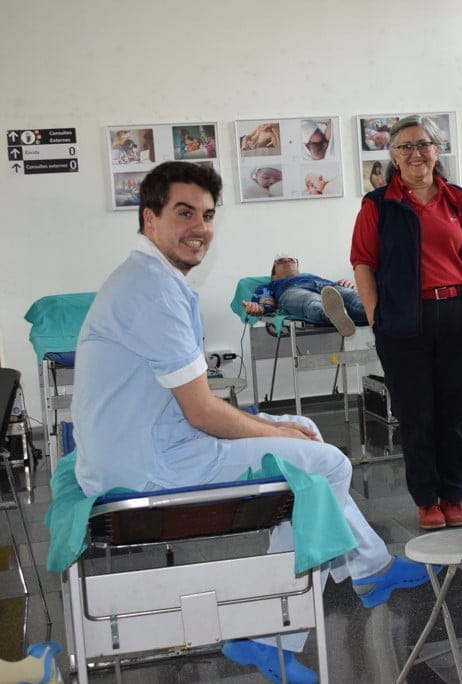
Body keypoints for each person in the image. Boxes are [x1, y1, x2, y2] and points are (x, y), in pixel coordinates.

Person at [72, 162, 429, 684]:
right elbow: (201, 411)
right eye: (184, 213)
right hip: (149, 468)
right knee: (323, 466)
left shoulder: (150, 278)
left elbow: (186, 400)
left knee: (303, 448)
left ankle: (297, 617)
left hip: (145, 443)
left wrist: (271, 423)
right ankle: (360, 573)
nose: (200, 227)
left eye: (208, 215)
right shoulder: (150, 288)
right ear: (149, 219)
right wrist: (275, 431)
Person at [351, 115, 462, 530]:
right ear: (394, 156)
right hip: (405, 322)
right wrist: (375, 316)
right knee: (416, 414)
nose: (416, 153)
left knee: (456, 412)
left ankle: (453, 494)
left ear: (437, 150)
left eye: (423, 145)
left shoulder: (461, 200)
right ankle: (426, 499)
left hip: (458, 315)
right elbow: (363, 263)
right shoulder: (378, 205)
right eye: (406, 147)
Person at [242, 255, 366, 336]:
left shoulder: (313, 276)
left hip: (324, 285)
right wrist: (260, 308)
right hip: (291, 291)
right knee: (311, 301)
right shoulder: (271, 285)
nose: (287, 261)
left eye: (291, 260)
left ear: (298, 269)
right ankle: (335, 316)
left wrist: (342, 283)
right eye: (280, 261)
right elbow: (265, 302)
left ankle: (375, 311)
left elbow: (332, 294)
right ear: (274, 276)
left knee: (352, 296)